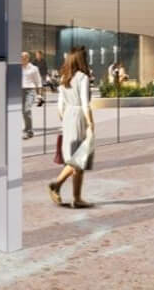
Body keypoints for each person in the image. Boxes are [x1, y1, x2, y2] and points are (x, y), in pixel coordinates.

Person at [47, 47, 95, 209]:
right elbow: (84, 103)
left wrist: (66, 120)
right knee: (80, 158)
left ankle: (76, 198)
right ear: (82, 60)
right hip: (79, 116)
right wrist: (90, 123)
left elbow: (59, 107)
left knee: (77, 159)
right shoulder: (83, 77)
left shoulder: (63, 78)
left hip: (67, 117)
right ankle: (58, 184)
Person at [20, 50, 43, 139]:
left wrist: (39, 95)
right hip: (19, 91)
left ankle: (28, 131)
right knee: (22, 111)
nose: (21, 59)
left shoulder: (34, 68)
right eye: (21, 58)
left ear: (27, 58)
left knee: (26, 110)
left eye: (23, 58)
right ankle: (28, 129)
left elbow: (38, 82)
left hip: (30, 91)